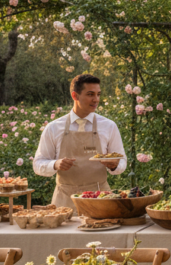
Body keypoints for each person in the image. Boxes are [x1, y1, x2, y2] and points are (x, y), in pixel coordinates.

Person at [33, 73, 127, 210]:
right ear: (75, 96)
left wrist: (114, 165)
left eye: (98, 94)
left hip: (100, 199)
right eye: (90, 94)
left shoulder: (109, 126)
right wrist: (55, 164)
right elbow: (38, 164)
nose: (96, 99)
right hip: (64, 202)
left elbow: (122, 161)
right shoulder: (53, 128)